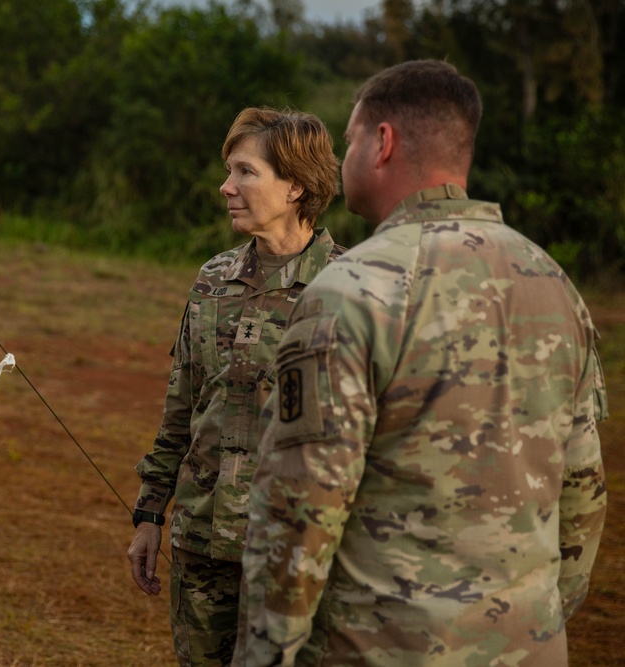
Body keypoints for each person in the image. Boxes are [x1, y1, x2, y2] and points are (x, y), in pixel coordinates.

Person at [234, 59, 608, 666]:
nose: (343, 156)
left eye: (349, 139)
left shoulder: (350, 290)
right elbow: (583, 492)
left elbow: (299, 513)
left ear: (382, 143)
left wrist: (264, 655)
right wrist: (538, 622)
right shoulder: (552, 282)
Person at [127, 107, 345, 666]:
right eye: (229, 171)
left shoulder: (350, 290)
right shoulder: (212, 279)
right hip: (202, 544)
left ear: (296, 184)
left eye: (246, 172)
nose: (227, 187)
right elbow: (182, 406)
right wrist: (151, 512)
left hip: (294, 554)